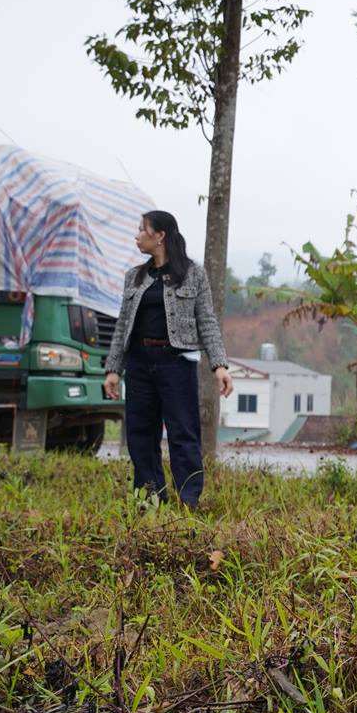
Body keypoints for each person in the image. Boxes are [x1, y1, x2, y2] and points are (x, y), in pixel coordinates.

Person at [102, 211, 232, 507]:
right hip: (139, 363)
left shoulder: (193, 274)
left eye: (142, 229)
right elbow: (123, 324)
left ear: (159, 236)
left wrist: (219, 364)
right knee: (140, 434)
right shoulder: (134, 276)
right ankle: (150, 500)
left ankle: (189, 500)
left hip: (176, 362)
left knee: (183, 432)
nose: (137, 235)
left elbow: (207, 321)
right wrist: (113, 369)